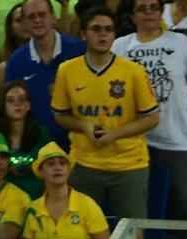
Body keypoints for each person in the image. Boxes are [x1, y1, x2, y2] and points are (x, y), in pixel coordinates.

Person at [114, 0, 187, 232]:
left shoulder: (180, 42)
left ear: (161, 12)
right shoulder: (120, 46)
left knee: (183, 198)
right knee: (140, 201)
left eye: (153, 7)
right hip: (133, 138)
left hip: (175, 135)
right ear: (132, 16)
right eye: (142, 8)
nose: (149, 13)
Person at [51, 5, 159, 220]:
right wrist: (84, 126)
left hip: (129, 164)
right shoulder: (67, 70)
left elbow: (152, 118)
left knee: (133, 235)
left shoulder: (134, 72)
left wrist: (115, 134)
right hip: (84, 163)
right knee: (81, 232)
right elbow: (60, 115)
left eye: (108, 30)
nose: (103, 34)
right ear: (83, 34)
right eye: (96, 29)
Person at [0, 0, 85, 148]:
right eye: (31, 17)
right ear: (24, 23)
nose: (37, 20)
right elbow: (12, 111)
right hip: (35, 149)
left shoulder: (79, 51)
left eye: (42, 15)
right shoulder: (16, 62)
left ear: (53, 18)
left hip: (79, 145)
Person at [20, 142, 111, 239]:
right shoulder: (33, 208)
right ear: (40, 172)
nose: (58, 168)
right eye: (51, 164)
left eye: (62, 163)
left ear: (68, 170)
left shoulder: (87, 204)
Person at [0, 80, 51, 197]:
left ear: (28, 105)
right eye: (10, 100)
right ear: (3, 106)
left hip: (35, 197)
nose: (17, 104)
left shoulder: (42, 134)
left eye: (22, 99)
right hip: (3, 199)